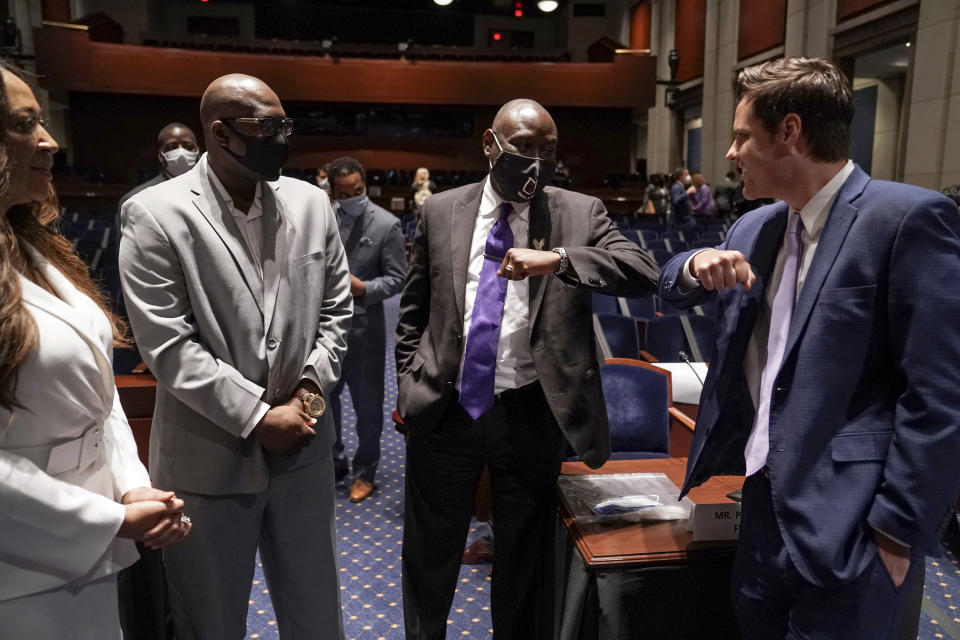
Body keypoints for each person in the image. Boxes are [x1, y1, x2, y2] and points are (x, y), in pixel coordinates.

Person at [658, 56, 960, 639]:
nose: (730, 153)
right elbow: (670, 284)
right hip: (762, 513)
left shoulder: (907, 218)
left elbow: (940, 395)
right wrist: (694, 263)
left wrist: (897, 535)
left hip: (854, 527)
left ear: (789, 132)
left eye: (742, 136)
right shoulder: (755, 227)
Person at [396, 98, 659, 639]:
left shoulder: (579, 212)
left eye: (548, 150)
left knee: (522, 561)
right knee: (430, 555)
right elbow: (414, 312)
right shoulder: (441, 210)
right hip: (448, 409)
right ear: (491, 146)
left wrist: (560, 259)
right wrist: (408, 379)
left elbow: (643, 270)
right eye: (523, 148)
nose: (537, 161)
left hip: (531, 413)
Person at [119, 73, 352, 639]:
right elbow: (168, 345)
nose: (283, 139)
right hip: (208, 459)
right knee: (211, 623)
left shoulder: (312, 202)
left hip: (303, 452)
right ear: (221, 134)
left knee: (317, 617)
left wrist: (308, 393)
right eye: (267, 128)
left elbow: (338, 311)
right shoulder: (154, 213)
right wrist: (257, 416)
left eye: (286, 124)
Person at [0, 62, 190, 640]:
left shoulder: (32, 246)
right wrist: (106, 519)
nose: (49, 141)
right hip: (19, 564)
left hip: (89, 549)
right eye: (24, 124)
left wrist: (130, 484)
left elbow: (98, 397)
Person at [327, 156, 406, 502]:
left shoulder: (387, 225)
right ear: (333, 192)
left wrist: (365, 289)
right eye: (345, 193)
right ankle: (334, 462)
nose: (353, 197)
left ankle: (365, 471)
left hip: (366, 334)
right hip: (324, 333)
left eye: (358, 190)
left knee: (368, 410)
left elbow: (397, 279)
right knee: (324, 407)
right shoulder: (323, 219)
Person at [115, 122, 199, 248]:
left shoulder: (214, 191)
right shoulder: (135, 199)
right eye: (172, 147)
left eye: (188, 146)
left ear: (198, 152)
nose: (181, 152)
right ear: (160, 156)